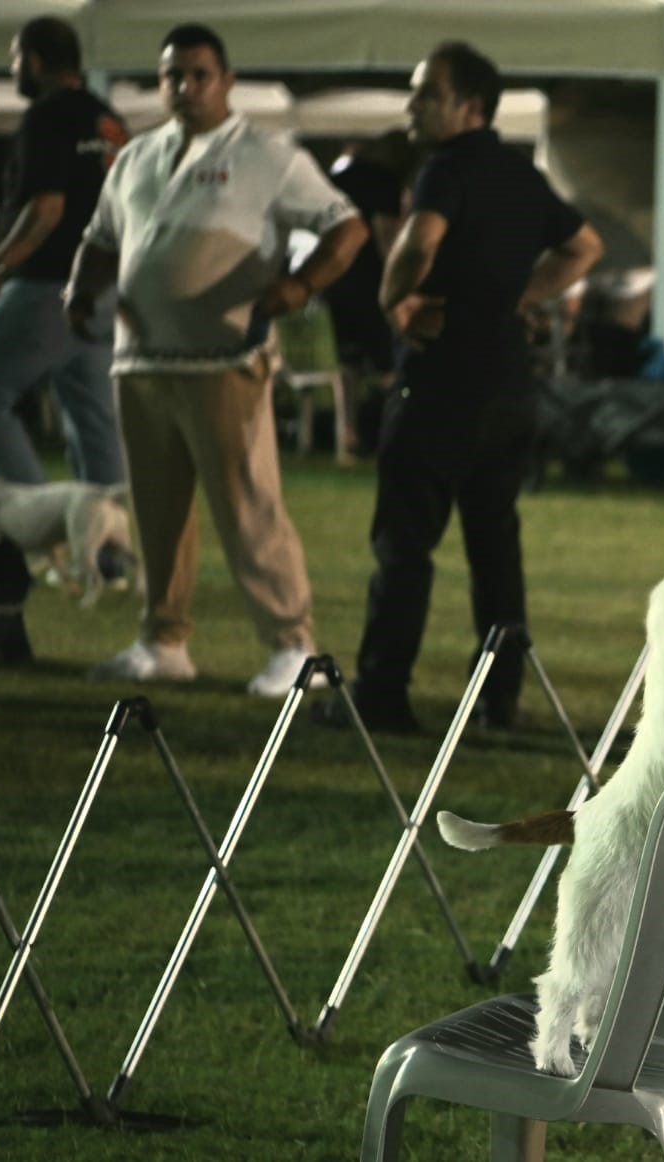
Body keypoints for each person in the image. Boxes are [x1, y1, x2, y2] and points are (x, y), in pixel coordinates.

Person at [64, 23, 367, 695]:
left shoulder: (268, 154)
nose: (186, 86)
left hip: (225, 357)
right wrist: (80, 288)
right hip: (140, 358)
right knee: (156, 510)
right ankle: (162, 638)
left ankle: (294, 646)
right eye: (173, 74)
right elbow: (101, 236)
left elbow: (346, 226)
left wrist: (298, 286)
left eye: (200, 73)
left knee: (248, 507)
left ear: (227, 80)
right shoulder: (138, 156)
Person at [313, 42, 603, 735]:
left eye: (425, 94)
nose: (412, 106)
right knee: (495, 549)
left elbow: (419, 243)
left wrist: (394, 300)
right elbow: (586, 246)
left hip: (440, 383)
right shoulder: (520, 174)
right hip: (508, 388)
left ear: (468, 105)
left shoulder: (444, 168)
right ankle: (497, 700)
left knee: (405, 545)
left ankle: (382, 696)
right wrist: (520, 300)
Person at [0, 16, 128, 487]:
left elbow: (47, 207)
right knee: (95, 422)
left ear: (35, 61)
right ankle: (108, 549)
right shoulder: (109, 122)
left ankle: (37, 520)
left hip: (48, 285)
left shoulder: (47, 117)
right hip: (106, 289)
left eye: (14, 59)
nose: (12, 70)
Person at [322, 135, 407, 456]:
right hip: (371, 283)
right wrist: (398, 281)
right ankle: (392, 433)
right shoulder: (385, 181)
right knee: (386, 361)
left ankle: (347, 434)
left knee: (348, 364)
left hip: (336, 277)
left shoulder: (337, 179)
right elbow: (387, 235)